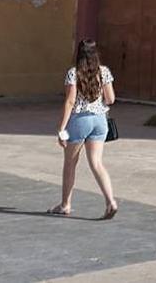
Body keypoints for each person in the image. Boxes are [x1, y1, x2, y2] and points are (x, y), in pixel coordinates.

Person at [48, 39, 117, 219]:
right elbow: (110, 99)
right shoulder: (104, 72)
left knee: (70, 164)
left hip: (80, 120)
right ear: (96, 53)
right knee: (96, 163)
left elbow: (70, 101)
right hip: (100, 121)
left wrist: (61, 128)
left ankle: (65, 204)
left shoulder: (73, 73)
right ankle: (111, 201)